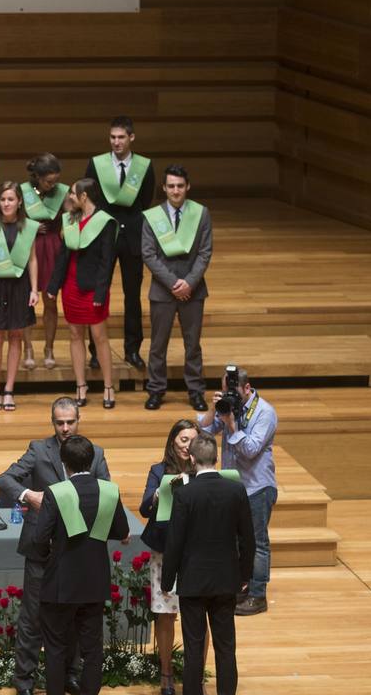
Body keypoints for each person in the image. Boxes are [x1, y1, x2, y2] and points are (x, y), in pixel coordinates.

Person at [0, 396, 111, 695]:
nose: (64, 428)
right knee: (33, 619)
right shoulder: (38, 450)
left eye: (70, 422)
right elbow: (4, 479)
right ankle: (25, 683)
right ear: (53, 422)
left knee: (73, 619)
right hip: (42, 551)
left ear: (78, 420)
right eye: (59, 423)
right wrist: (26, 494)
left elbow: (106, 495)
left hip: (76, 552)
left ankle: (70, 676)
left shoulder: (95, 454)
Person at [28, 434, 130, 695]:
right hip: (94, 581)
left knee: (57, 649)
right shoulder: (109, 491)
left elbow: (38, 540)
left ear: (64, 463)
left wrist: (51, 554)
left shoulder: (57, 492)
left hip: (60, 582)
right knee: (92, 650)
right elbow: (121, 529)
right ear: (92, 461)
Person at [163, 432, 255, 695]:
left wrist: (167, 580)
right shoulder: (235, 490)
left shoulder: (185, 494)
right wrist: (244, 575)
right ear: (216, 458)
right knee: (226, 646)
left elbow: (174, 542)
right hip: (226, 580)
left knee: (194, 645)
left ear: (190, 458)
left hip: (193, 581)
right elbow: (248, 539)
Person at [198, 367, 278, 616]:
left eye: (231, 391)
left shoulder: (264, 412)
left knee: (257, 542)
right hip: (232, 485)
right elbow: (203, 432)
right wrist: (214, 409)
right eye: (224, 390)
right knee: (233, 542)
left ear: (247, 388)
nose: (228, 394)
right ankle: (240, 588)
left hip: (257, 486)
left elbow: (252, 449)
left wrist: (231, 425)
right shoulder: (228, 406)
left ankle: (257, 594)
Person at [86, 116, 155, 371]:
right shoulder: (96, 164)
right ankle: (95, 351)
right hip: (103, 235)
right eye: (113, 137)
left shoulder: (144, 166)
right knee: (97, 294)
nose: (116, 142)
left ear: (131, 138)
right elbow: (90, 199)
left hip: (132, 237)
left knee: (132, 296)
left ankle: (132, 350)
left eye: (121, 137)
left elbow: (145, 199)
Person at [142, 164, 213, 412]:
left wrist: (189, 282)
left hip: (193, 290)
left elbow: (205, 252)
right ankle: (155, 390)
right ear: (164, 188)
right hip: (163, 290)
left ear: (188, 187)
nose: (175, 190)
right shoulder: (153, 216)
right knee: (158, 345)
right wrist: (174, 283)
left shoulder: (201, 214)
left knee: (192, 344)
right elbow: (148, 254)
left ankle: (195, 391)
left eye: (180, 186)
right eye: (171, 186)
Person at [47, 179, 119, 410]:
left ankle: (108, 386)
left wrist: (101, 291)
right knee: (75, 334)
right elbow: (62, 257)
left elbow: (107, 261)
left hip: (93, 289)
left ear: (84, 196)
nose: (69, 197)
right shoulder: (69, 220)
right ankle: (80, 385)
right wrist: (53, 286)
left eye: (73, 194)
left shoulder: (105, 222)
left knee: (99, 337)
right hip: (71, 286)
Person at [138, 419, 197, 695]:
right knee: (165, 613)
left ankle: (196, 675)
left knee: (200, 615)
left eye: (192, 440)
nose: (187, 445)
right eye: (183, 439)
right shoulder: (158, 470)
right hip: (165, 550)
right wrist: (160, 493)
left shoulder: (204, 471)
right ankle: (166, 673)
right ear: (173, 440)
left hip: (196, 552)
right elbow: (144, 509)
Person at [0, 180, 40, 411]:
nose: (6, 203)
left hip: (20, 285)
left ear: (19, 202)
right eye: (3, 199)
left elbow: (33, 259)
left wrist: (34, 289)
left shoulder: (28, 227)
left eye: (11, 199)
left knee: (15, 337)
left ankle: (9, 389)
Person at [21, 153, 70, 371]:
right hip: (28, 246)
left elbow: (72, 218)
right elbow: (10, 217)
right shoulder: (22, 191)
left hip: (52, 246)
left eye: (56, 180)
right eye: (49, 181)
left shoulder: (63, 192)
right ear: (38, 177)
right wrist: (29, 226)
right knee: (26, 300)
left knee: (50, 299)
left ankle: (49, 348)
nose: (53, 185)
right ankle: (28, 348)